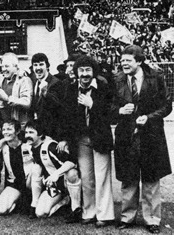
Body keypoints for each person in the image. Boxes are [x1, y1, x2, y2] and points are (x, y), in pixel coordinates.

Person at [112, 45, 172, 234]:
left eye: (128, 60)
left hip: (151, 134)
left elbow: (167, 106)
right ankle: (127, 217)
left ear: (139, 61)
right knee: (128, 178)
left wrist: (149, 117)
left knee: (151, 178)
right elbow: (107, 107)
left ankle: (152, 219)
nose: (123, 64)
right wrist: (120, 111)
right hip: (126, 135)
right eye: (122, 60)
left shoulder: (156, 78)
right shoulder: (117, 80)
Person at [60, 55, 115, 227]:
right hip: (81, 139)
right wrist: (67, 139)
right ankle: (88, 212)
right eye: (81, 70)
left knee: (102, 177)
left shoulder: (104, 87)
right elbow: (66, 116)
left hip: (100, 137)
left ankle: (104, 215)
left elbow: (111, 113)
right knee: (87, 177)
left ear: (93, 72)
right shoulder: (70, 89)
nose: (84, 74)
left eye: (88, 70)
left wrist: (93, 105)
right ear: (76, 72)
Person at [24, 121, 81, 220]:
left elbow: (72, 162)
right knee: (41, 213)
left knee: (72, 173)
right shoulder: (31, 147)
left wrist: (56, 174)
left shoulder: (51, 146)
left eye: (31, 132)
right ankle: (64, 201)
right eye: (26, 132)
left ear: (40, 134)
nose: (27, 135)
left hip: (64, 182)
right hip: (53, 186)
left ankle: (75, 208)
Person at [0, 119, 40, 216]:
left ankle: (33, 202)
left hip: (30, 183)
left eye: (9, 129)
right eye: (4, 129)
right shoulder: (3, 147)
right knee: (1, 210)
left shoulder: (28, 145)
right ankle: (19, 201)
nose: (5, 132)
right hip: (14, 184)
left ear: (18, 131)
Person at [0, 52, 33, 130]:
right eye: (2, 66)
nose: (4, 69)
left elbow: (27, 102)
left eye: (7, 66)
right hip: (5, 127)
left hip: (20, 127)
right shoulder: (1, 79)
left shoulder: (24, 80)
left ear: (16, 66)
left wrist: (7, 99)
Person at [28, 53, 63, 139]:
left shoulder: (56, 82)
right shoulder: (33, 80)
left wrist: (45, 93)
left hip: (51, 132)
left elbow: (57, 106)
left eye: (41, 64)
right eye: (35, 65)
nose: (38, 68)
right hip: (37, 131)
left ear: (47, 66)